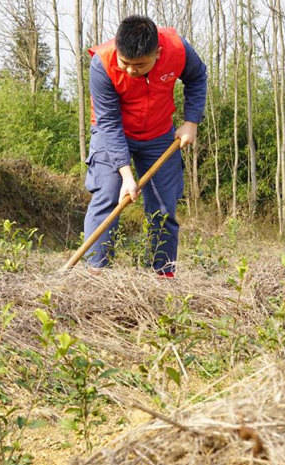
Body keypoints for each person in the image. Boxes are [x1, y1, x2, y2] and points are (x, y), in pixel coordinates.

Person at [83, 15, 207, 277]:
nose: (130, 70)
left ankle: (163, 275)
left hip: (159, 135)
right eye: (125, 63)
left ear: (158, 53)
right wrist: (126, 174)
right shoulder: (102, 64)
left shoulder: (178, 49)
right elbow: (108, 123)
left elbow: (197, 77)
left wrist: (191, 122)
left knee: (164, 207)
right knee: (107, 196)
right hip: (112, 133)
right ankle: (95, 275)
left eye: (139, 65)